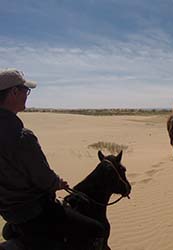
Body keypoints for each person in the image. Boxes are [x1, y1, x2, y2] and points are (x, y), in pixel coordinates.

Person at [0, 69, 105, 249]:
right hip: (35, 211)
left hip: (10, 213)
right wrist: (56, 183)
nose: (27, 95)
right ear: (14, 92)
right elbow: (42, 178)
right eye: (25, 90)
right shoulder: (22, 137)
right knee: (96, 230)